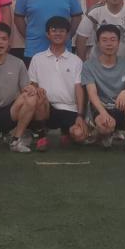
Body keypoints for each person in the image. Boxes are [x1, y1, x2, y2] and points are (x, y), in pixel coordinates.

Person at [27, 17, 89, 150]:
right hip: (46, 108)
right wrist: (36, 91)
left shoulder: (76, 61)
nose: (58, 34)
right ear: (47, 34)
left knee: (79, 136)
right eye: (54, 30)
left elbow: (79, 89)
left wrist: (80, 115)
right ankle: (41, 134)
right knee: (38, 98)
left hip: (69, 108)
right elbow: (32, 85)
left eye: (62, 31)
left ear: (68, 35)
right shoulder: (37, 59)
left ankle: (66, 131)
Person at [81, 24, 125, 150]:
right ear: (98, 43)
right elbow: (92, 94)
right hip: (101, 108)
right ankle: (104, 134)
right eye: (104, 40)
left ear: (118, 42)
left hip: (121, 106)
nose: (109, 44)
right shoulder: (89, 65)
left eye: (113, 40)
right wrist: (103, 113)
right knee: (105, 127)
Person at [0, 23, 38, 153]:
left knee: (31, 97)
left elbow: (26, 88)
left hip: (9, 112)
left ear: (9, 42)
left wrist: (31, 89)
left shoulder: (18, 63)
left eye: (4, 39)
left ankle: (16, 139)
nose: (0, 42)